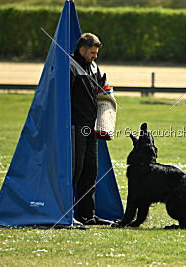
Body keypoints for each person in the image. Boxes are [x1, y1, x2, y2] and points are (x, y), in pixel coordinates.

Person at [70, 33, 112, 226]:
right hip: (74, 126)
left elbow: (100, 90)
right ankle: (67, 216)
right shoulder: (70, 66)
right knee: (74, 171)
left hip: (91, 127)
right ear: (82, 50)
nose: (95, 56)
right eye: (93, 53)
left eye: (96, 53)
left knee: (90, 171)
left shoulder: (94, 66)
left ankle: (87, 216)